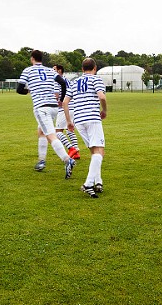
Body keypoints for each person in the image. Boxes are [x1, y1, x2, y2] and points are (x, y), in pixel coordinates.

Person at [17, 49, 76, 178]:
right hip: (53, 107)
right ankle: (42, 161)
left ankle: (67, 160)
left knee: (51, 135)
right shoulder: (50, 70)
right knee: (41, 132)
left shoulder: (28, 70)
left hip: (41, 107)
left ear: (32, 58)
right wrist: (61, 99)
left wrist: (30, 91)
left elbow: (19, 89)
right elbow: (62, 82)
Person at [63, 58, 107, 198]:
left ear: (82, 69)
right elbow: (102, 97)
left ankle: (98, 182)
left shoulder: (74, 82)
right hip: (92, 118)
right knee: (99, 152)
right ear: (95, 68)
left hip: (79, 120)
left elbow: (65, 102)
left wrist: (69, 121)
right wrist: (104, 110)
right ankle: (88, 184)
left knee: (95, 152)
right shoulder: (96, 79)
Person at [53, 64, 80, 160]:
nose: (53, 70)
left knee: (58, 132)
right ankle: (76, 151)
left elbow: (56, 95)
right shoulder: (68, 80)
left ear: (59, 71)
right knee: (70, 130)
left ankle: (71, 148)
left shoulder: (57, 81)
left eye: (54, 69)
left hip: (64, 108)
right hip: (73, 107)